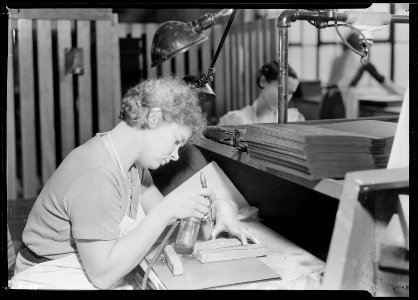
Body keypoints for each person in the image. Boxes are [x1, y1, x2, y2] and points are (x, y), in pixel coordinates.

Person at [10, 76, 260, 290]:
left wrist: (219, 206)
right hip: (49, 277)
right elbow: (102, 275)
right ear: (153, 118)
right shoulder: (97, 172)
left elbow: (171, 220)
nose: (174, 155)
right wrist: (166, 210)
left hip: (80, 269)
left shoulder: (131, 166)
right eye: (175, 140)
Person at [322, 32, 404, 119]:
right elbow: (380, 78)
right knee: (343, 128)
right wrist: (401, 93)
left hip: (327, 98)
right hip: (341, 100)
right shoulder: (360, 58)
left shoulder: (337, 59)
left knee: (327, 128)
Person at [218, 61, 305, 125]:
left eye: (290, 93)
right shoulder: (234, 120)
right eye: (281, 90)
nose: (285, 98)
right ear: (263, 81)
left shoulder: (295, 119)